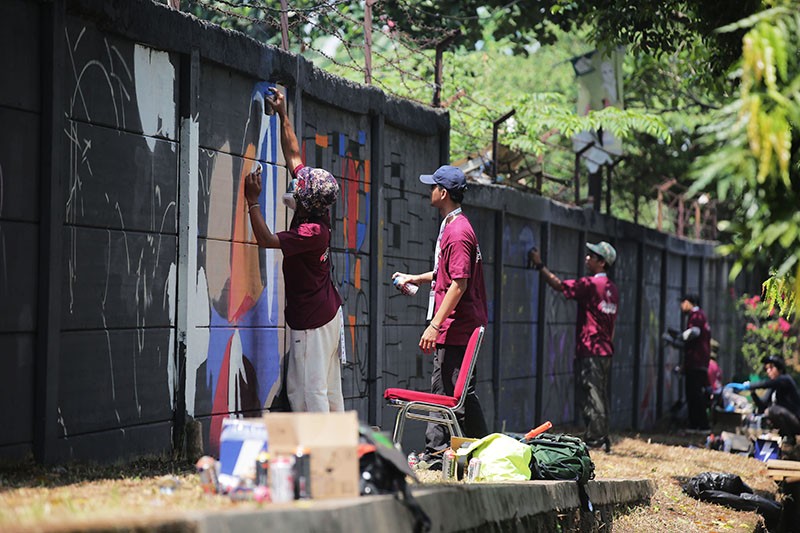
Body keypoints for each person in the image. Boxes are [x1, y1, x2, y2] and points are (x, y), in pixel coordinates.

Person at [244, 88, 344, 413]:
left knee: (307, 392)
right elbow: (295, 157)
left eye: (299, 187)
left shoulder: (312, 231)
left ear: (306, 201)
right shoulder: (316, 203)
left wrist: (252, 201)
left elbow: (266, 240)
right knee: (328, 391)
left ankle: (316, 446)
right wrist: (283, 115)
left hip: (313, 322)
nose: (296, 183)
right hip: (326, 313)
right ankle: (336, 443)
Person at [392, 165, 489, 457]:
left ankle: (438, 453)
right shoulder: (454, 225)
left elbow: (459, 283)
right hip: (458, 325)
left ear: (443, 192)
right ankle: (472, 450)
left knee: (447, 392)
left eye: (433, 186)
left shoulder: (457, 232)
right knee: (454, 391)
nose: (429, 191)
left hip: (457, 327)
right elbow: (446, 273)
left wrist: (435, 324)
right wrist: (416, 278)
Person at [527, 241, 619, 453]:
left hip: (591, 350)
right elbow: (612, 324)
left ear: (602, 263)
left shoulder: (591, 284)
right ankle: (601, 436)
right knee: (600, 393)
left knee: (591, 393)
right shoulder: (612, 289)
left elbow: (559, 285)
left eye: (592, 256)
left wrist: (539, 265)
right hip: (605, 350)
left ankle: (595, 439)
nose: (587, 258)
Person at [737, 355, 800, 444]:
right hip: (786, 419)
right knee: (764, 412)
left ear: (780, 368)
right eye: (766, 369)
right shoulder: (773, 386)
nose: (768, 371)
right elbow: (762, 405)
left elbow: (766, 384)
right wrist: (753, 392)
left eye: (771, 368)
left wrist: (750, 385)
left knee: (771, 411)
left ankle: (789, 437)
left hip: (796, 420)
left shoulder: (785, 379)